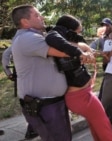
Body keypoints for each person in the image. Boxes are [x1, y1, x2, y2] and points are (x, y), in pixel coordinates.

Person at [45, 14, 112, 141]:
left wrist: (86, 51)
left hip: (82, 95)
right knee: (104, 126)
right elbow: (53, 38)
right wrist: (81, 51)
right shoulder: (55, 37)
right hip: (81, 97)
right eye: (76, 32)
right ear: (67, 29)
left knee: (97, 125)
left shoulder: (66, 44)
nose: (77, 35)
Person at [11, 5, 72, 141]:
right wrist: (84, 51)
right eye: (37, 15)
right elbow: (66, 51)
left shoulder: (34, 36)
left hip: (50, 105)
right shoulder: (28, 38)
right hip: (46, 107)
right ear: (25, 22)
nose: (42, 18)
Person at [1, 46, 39, 140]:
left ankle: (32, 129)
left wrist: (9, 73)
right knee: (35, 102)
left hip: (21, 75)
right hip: (35, 74)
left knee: (27, 100)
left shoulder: (18, 43)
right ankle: (32, 129)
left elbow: (6, 55)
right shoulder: (37, 40)